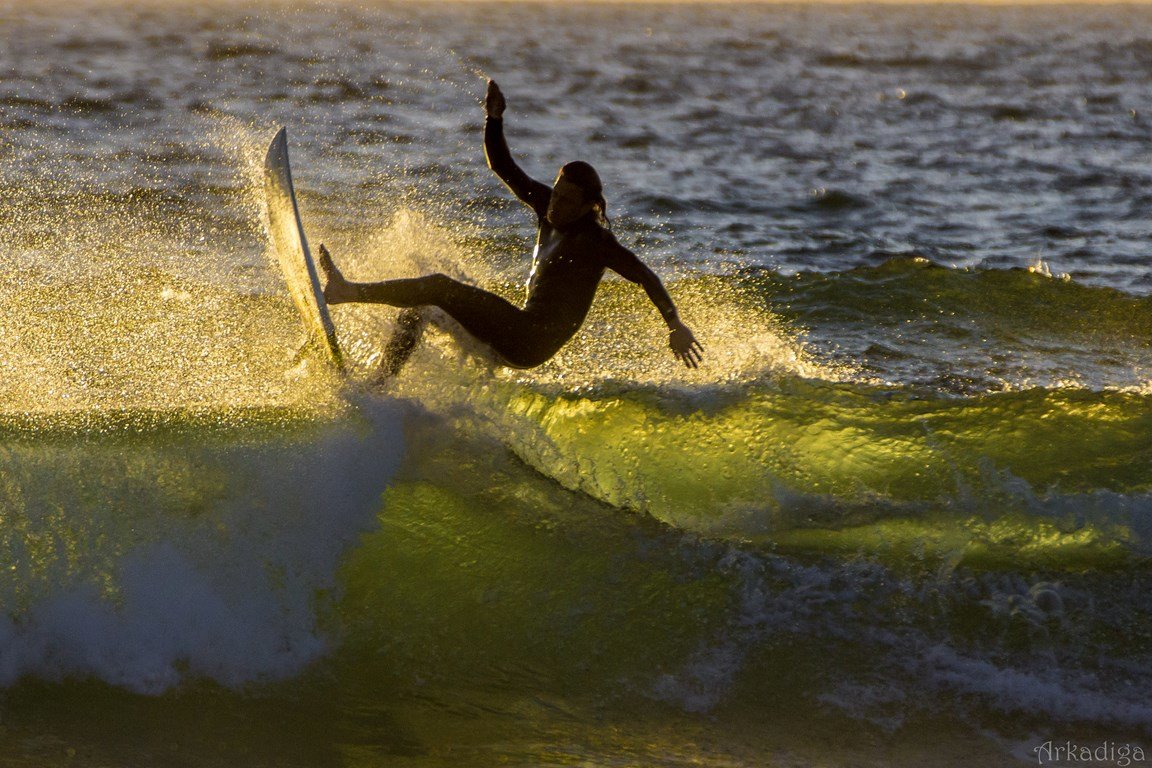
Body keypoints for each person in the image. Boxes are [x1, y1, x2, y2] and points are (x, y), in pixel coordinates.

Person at [318, 79, 703, 375]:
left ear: (589, 206)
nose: (555, 206)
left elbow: (645, 276)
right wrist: (494, 119)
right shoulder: (547, 207)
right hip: (516, 331)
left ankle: (346, 291)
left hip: (529, 340)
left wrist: (675, 324)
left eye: (567, 202)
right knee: (422, 306)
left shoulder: (596, 241)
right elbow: (503, 166)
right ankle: (379, 384)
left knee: (438, 285)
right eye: (555, 194)